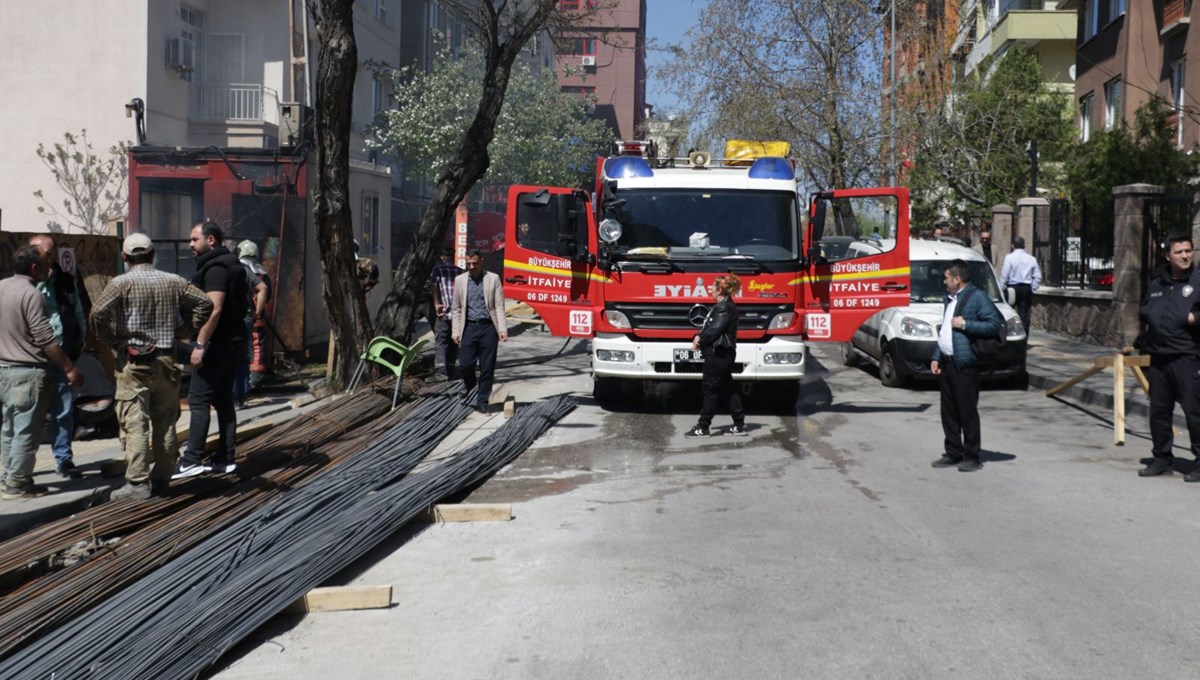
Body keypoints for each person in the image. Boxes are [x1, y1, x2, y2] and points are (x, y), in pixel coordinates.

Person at [91, 234, 213, 500]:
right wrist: (184, 329)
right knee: (166, 423)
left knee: (135, 425)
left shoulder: (120, 284)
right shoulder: (173, 281)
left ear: (125, 257)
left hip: (133, 364)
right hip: (167, 361)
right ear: (153, 253)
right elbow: (205, 303)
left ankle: (137, 484)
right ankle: (161, 480)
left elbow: (98, 313)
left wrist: (112, 339)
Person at [0, 245, 84, 499]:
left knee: (9, 428)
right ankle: (17, 484)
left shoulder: (2, 287)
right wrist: (69, 367)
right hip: (28, 372)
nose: (50, 269)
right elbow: (45, 337)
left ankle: (9, 477)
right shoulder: (31, 294)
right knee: (27, 430)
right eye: (46, 266)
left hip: (4, 371)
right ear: (34, 268)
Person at [176, 221, 249, 478]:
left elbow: (214, 308)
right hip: (234, 342)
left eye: (194, 239)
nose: (190, 245)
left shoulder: (216, 268)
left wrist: (200, 344)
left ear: (211, 241)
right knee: (223, 399)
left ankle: (191, 458)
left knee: (198, 400)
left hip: (218, 344)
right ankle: (224, 457)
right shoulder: (232, 264)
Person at [1136, 234, 1200, 479]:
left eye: (1188, 251)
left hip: (1187, 358)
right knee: (1159, 411)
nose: (1185, 255)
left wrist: (1193, 318)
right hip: (1159, 358)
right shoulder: (1157, 283)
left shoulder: (1197, 282)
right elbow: (1145, 309)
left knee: (1195, 412)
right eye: (1179, 252)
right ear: (1168, 256)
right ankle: (1162, 458)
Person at [930, 259, 1003, 472]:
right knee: (949, 412)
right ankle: (953, 452)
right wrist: (936, 356)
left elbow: (993, 324)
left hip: (966, 365)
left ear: (957, 278)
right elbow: (945, 330)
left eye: (946, 278)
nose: (944, 282)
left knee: (967, 411)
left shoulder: (978, 297)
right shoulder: (949, 299)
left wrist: (966, 324)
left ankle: (971, 456)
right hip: (947, 362)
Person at [28, 235, 88, 480]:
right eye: (46, 254)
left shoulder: (64, 280)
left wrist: (79, 341)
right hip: (33, 360)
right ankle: (23, 468)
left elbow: (77, 312)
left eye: (52, 253)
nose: (51, 259)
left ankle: (64, 460)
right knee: (30, 416)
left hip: (63, 357)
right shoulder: (27, 284)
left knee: (63, 411)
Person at [685, 275, 747, 438]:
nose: (709, 290)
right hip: (722, 354)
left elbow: (714, 330)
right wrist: (698, 335)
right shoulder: (723, 306)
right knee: (727, 388)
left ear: (720, 290)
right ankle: (739, 424)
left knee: (710, 389)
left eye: (712, 287)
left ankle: (703, 427)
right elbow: (710, 327)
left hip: (718, 354)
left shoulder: (724, 307)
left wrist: (700, 341)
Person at [451, 250, 507, 413]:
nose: (471, 266)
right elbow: (456, 308)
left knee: (487, 366)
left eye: (475, 263)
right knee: (465, 364)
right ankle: (470, 385)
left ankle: (482, 400)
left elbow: (499, 306)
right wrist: (455, 331)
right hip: (468, 327)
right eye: (468, 263)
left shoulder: (493, 279)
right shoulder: (460, 280)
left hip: (488, 328)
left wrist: (502, 329)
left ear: (481, 261)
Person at [235, 240, 270, 405]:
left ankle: (249, 383)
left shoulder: (239, 270)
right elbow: (266, 293)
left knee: (247, 349)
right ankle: (255, 378)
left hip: (245, 315)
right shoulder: (262, 273)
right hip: (257, 316)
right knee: (257, 345)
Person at [428, 247, 464, 382]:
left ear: (442, 256)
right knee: (454, 341)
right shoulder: (461, 272)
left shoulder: (438, 270)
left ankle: (441, 373)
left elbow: (433, 286)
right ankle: (451, 370)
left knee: (441, 341)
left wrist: (436, 304)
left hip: (443, 313)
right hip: (457, 314)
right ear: (453, 256)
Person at [999, 236, 1042, 336]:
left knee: (1008, 312)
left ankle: (1008, 335)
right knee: (1024, 315)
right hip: (1026, 288)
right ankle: (1023, 337)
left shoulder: (1009, 258)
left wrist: (1001, 289)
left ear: (1012, 245)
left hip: (1012, 288)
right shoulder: (1031, 259)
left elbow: (1004, 275)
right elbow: (1038, 276)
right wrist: (1032, 288)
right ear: (1024, 245)